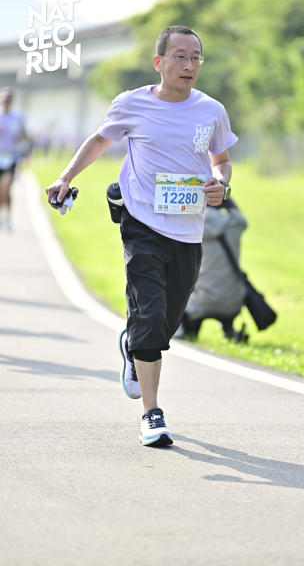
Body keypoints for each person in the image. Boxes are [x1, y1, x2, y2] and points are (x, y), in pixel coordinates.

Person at [45, 25, 238, 447]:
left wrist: (222, 184)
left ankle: (134, 345)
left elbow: (221, 160)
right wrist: (65, 177)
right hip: (141, 222)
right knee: (149, 315)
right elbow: (100, 141)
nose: (189, 65)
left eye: (196, 58)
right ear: (159, 62)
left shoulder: (211, 110)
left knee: (165, 322)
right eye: (180, 56)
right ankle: (152, 414)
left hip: (188, 231)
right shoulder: (132, 103)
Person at [179, 197, 249, 342]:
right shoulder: (236, 224)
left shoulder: (196, 227)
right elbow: (241, 217)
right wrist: (225, 196)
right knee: (222, 284)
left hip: (201, 301)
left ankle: (187, 330)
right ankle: (229, 330)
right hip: (232, 302)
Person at [0, 88, 29, 231]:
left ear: (11, 101)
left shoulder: (18, 117)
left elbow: (24, 135)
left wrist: (25, 153)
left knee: (6, 187)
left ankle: (8, 217)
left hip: (10, 157)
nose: (5, 102)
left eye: (8, 100)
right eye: (3, 99)